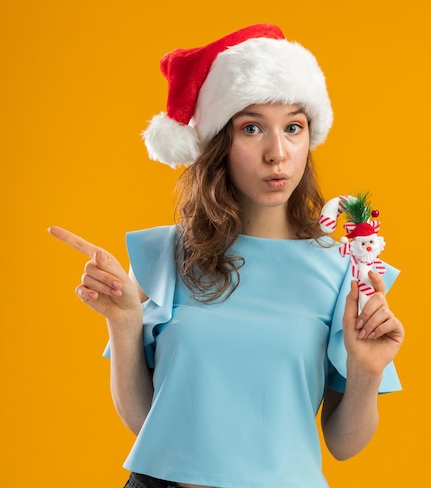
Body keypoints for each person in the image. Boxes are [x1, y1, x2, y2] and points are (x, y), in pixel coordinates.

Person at [49, 23, 405, 488]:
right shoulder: (166, 256)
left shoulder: (343, 271)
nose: (277, 152)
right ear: (220, 144)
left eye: (293, 127)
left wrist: (365, 369)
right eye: (252, 128)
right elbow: (148, 426)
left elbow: (343, 444)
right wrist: (123, 323)